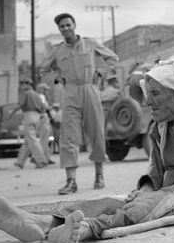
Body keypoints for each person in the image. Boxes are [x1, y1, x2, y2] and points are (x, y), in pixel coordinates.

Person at [0, 54, 174, 243]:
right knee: (112, 201)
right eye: (148, 93)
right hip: (168, 189)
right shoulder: (159, 126)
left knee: (142, 207)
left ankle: (86, 229)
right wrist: (143, 192)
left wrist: (151, 197)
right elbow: (155, 171)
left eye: (155, 93)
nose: (147, 101)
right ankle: (43, 223)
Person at [40, 13, 119, 194]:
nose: (66, 28)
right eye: (62, 26)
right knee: (68, 136)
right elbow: (44, 69)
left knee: (96, 132)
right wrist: (58, 78)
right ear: (59, 30)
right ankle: (71, 181)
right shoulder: (58, 50)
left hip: (90, 89)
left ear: (74, 25)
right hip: (70, 92)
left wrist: (100, 72)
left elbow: (112, 58)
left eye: (68, 25)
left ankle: (99, 174)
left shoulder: (90, 43)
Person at [14, 78, 48, 169]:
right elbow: (43, 107)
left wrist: (12, 113)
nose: (21, 85)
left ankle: (41, 160)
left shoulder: (25, 94)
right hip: (37, 116)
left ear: (28, 84)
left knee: (32, 140)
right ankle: (20, 162)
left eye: (22, 83)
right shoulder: (37, 95)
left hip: (28, 115)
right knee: (28, 141)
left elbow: (21, 104)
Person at [35, 83, 54, 164]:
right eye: (45, 90)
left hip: (42, 118)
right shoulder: (41, 96)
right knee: (43, 140)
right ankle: (40, 158)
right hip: (43, 118)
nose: (47, 91)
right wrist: (48, 109)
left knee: (45, 140)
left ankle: (47, 158)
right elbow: (43, 107)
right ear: (41, 89)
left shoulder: (39, 97)